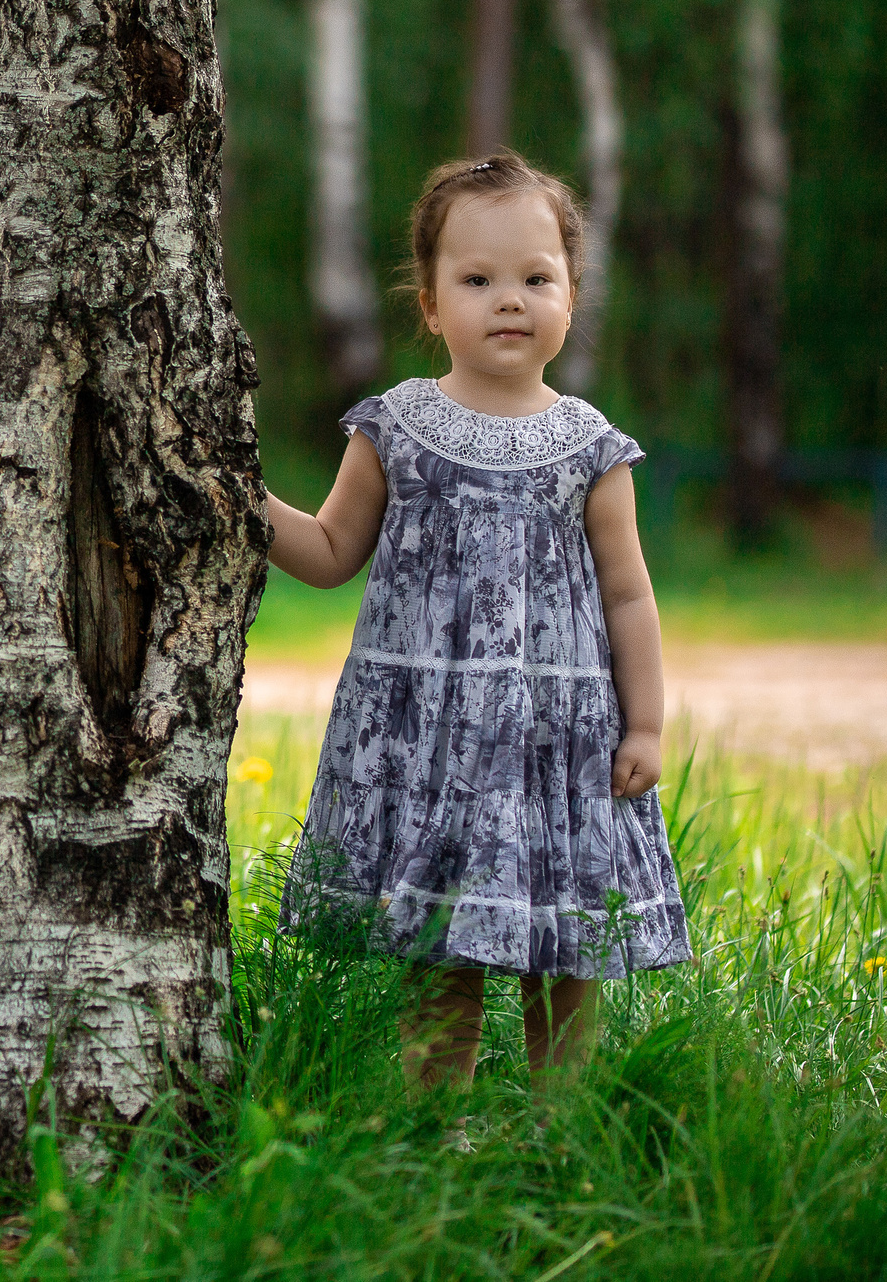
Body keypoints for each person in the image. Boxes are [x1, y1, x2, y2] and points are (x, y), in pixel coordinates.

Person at [265, 149, 689, 1104]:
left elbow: (629, 594)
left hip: (559, 741)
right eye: (478, 279)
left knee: (567, 940)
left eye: (537, 278)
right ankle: (433, 1124)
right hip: (433, 738)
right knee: (439, 938)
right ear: (430, 302)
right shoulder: (396, 427)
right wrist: (238, 498)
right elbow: (333, 551)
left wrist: (647, 724)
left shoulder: (589, 444)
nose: (510, 299)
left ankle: (559, 1128)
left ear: (571, 296)